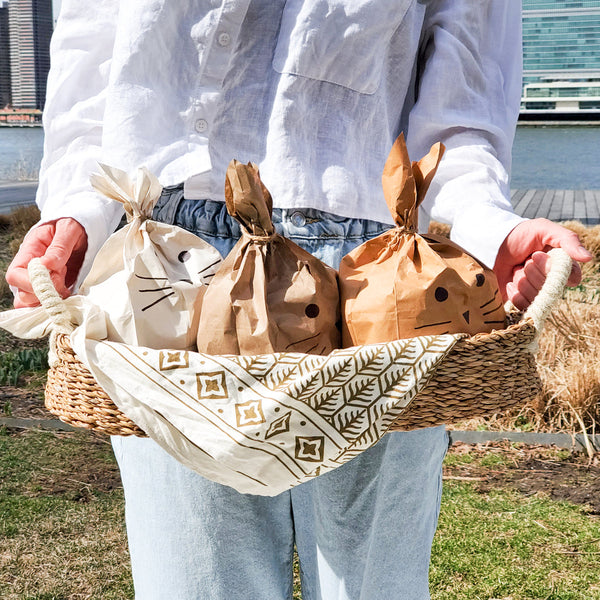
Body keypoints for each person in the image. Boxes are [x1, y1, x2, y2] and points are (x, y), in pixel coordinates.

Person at [6, 2, 592, 598]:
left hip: (384, 287)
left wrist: (488, 226)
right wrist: (78, 211)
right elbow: (92, 61)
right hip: (172, 276)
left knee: (370, 589)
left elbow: (464, 99)